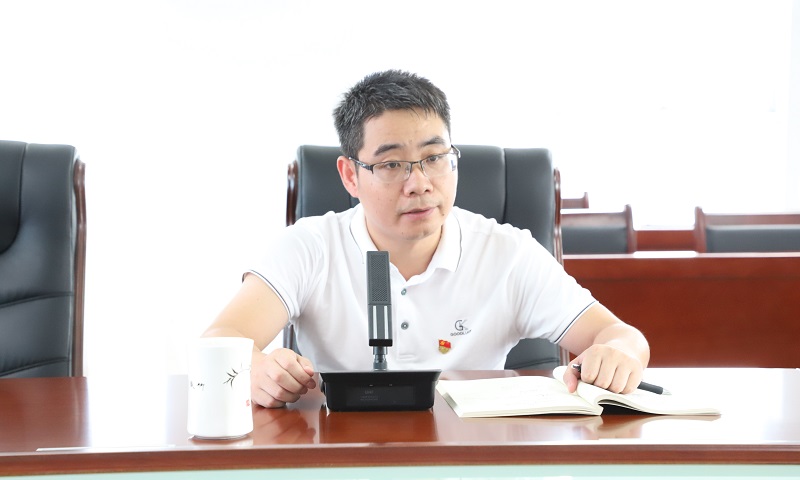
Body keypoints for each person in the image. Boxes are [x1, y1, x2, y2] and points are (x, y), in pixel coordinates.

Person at [203, 70, 650, 408]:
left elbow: (622, 335)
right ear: (350, 176)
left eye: (434, 158)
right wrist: (254, 368)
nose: (418, 184)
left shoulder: (507, 252)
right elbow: (219, 338)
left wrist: (617, 353)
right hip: (344, 458)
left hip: (468, 463)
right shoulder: (310, 246)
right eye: (391, 164)